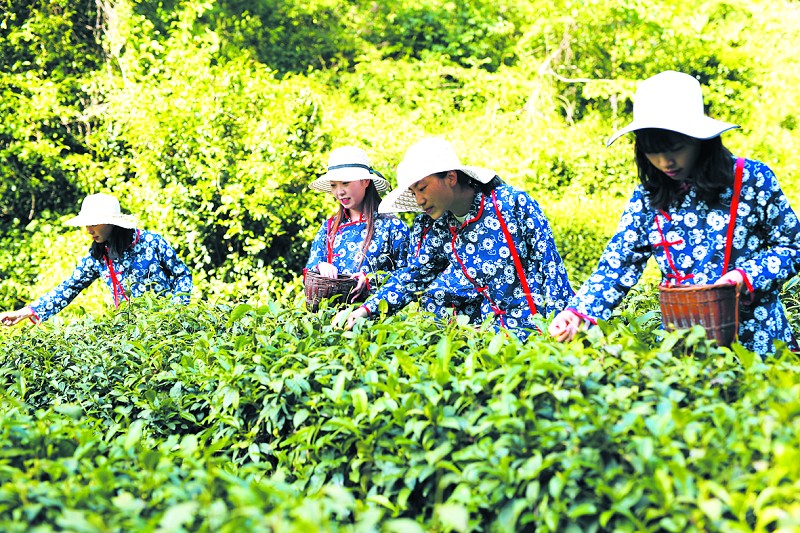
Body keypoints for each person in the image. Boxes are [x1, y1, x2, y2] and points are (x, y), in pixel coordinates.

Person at [548, 70, 800, 356]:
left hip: (758, 341)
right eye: (652, 152)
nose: (665, 161)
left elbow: (792, 246)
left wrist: (744, 277)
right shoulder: (648, 198)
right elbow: (616, 266)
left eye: (676, 149)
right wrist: (576, 314)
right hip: (685, 346)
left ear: (700, 139)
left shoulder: (750, 180)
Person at [343, 137, 573, 341]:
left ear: (451, 177)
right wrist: (366, 310)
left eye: (422, 188)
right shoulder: (440, 226)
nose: (419, 200)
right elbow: (414, 276)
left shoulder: (510, 204)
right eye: (413, 193)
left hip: (541, 329)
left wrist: (562, 323)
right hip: (491, 338)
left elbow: (550, 266)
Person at [0, 192, 193, 325]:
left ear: (111, 223)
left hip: (166, 325)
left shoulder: (152, 242)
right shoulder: (98, 256)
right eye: (86, 224)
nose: (88, 230)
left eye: (93, 223)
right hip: (132, 334)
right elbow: (69, 287)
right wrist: (25, 312)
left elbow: (182, 275)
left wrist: (176, 311)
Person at [304, 146, 410, 302]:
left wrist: (371, 281)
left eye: (345, 183)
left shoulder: (393, 227)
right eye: (333, 185)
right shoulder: (329, 228)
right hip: (332, 316)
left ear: (365, 181)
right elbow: (310, 271)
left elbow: (409, 277)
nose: (339, 192)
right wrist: (320, 266)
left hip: (379, 314)